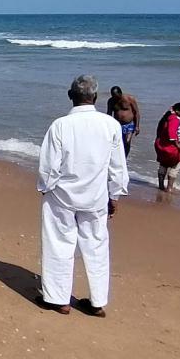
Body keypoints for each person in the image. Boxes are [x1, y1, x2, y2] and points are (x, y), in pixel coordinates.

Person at [36, 75, 130, 317]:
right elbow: (118, 166)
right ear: (96, 97)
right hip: (96, 196)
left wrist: (46, 187)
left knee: (59, 244)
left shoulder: (60, 126)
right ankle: (97, 301)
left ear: (70, 96)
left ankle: (59, 299)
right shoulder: (110, 125)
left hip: (62, 196)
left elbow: (48, 166)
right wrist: (115, 194)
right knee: (96, 245)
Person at [153, 103, 180, 192]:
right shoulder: (175, 119)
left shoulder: (166, 117)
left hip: (161, 145)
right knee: (176, 165)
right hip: (170, 147)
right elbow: (172, 133)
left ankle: (161, 186)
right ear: (177, 111)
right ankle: (169, 188)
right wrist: (178, 145)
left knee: (163, 164)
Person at [106, 86, 141, 157]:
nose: (115, 98)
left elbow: (136, 112)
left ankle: (125, 158)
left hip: (129, 124)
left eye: (117, 96)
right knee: (118, 143)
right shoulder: (111, 101)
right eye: (113, 96)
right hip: (117, 125)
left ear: (120, 93)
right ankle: (119, 157)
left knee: (127, 142)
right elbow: (109, 114)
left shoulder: (130, 99)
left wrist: (137, 126)